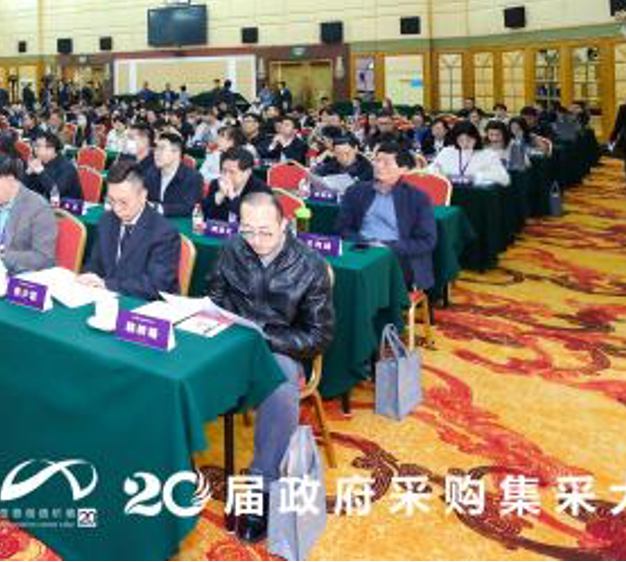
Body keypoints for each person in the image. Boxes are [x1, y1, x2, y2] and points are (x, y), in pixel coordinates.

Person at [205, 191, 335, 544]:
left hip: (280, 350)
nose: (256, 241)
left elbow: (319, 336)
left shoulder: (309, 265)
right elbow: (214, 298)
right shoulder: (233, 249)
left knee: (278, 383)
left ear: (284, 225)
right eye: (248, 231)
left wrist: (263, 335)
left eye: (266, 232)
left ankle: (262, 486)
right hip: (231, 343)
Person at [335, 142, 437, 291]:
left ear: (403, 169)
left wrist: (388, 246)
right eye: (377, 160)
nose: (379, 166)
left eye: (386, 163)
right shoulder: (356, 191)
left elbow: (427, 241)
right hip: (361, 250)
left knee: (368, 280)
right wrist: (367, 242)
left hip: (398, 256)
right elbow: (342, 229)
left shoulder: (417, 198)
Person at [78, 160, 179, 299]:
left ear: (143, 196)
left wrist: (106, 284)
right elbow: (95, 262)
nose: (117, 209)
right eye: (111, 200)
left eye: (123, 202)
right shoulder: (106, 221)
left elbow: (156, 285)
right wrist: (89, 276)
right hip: (106, 298)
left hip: (143, 304)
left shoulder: (164, 232)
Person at [197, 147, 269, 227]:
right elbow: (202, 215)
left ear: (247, 172)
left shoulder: (260, 190)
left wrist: (233, 197)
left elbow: (254, 219)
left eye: (232, 172)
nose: (226, 176)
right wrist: (219, 196)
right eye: (224, 171)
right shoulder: (216, 184)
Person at [434, 121, 510, 186]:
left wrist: (476, 177)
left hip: (476, 195)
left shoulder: (488, 155)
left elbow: (505, 179)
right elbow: (432, 169)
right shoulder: (446, 152)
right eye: (461, 140)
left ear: (476, 138)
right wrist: (441, 175)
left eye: (469, 140)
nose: (465, 144)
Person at [148, 130, 203, 217]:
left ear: (176, 153)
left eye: (161, 149)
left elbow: (189, 207)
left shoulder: (193, 177)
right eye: (156, 148)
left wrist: (158, 208)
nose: (156, 153)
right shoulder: (151, 172)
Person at [24, 130, 80, 202]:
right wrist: (28, 173)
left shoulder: (67, 167)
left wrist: (41, 172)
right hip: (45, 204)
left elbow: (56, 193)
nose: (34, 149)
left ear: (51, 149)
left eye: (38, 146)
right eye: (34, 146)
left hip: (69, 205)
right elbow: (29, 189)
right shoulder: (41, 162)